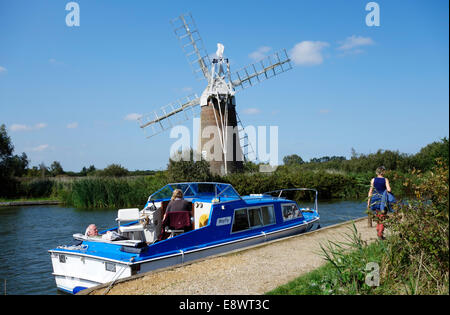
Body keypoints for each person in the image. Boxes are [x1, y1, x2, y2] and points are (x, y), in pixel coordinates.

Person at [367, 166, 391, 239]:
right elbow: (389, 189)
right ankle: (380, 233)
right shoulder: (385, 179)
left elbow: (370, 191)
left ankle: (378, 231)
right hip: (382, 200)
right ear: (383, 172)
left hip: (375, 199)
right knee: (382, 217)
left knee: (378, 216)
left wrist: (368, 202)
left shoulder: (373, 180)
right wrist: (386, 191)